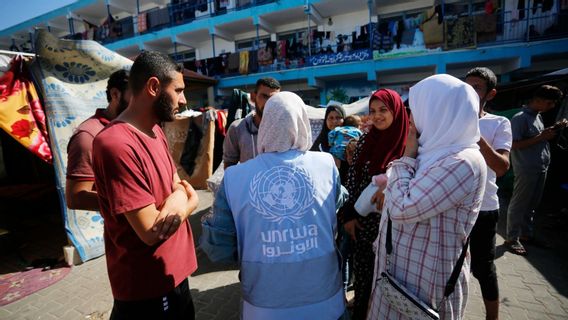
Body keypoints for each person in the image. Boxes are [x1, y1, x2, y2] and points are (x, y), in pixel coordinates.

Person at [200, 92, 348, 320]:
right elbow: (338, 207)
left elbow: (218, 249)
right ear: (302, 122)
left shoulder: (235, 177)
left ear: (265, 124)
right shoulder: (326, 164)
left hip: (264, 305)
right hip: (326, 300)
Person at [367, 74, 487, 320]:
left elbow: (401, 208)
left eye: (417, 108)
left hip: (424, 288)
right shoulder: (433, 151)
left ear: (437, 111)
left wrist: (406, 158)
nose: (411, 117)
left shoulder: (463, 162)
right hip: (397, 276)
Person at [92, 51, 200, 319]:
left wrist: (177, 198)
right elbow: (151, 231)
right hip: (146, 288)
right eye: (178, 90)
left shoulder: (155, 131)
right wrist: (190, 203)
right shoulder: (115, 144)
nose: (184, 100)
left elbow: (176, 183)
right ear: (153, 87)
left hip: (174, 275)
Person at [341, 89, 408, 320]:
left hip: (393, 231)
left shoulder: (409, 146)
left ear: (396, 111)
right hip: (362, 226)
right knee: (363, 282)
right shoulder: (363, 142)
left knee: (387, 290)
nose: (377, 116)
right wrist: (348, 216)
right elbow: (352, 180)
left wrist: (389, 187)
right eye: (372, 111)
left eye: (383, 110)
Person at [465, 67, 512, 320]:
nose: (470, 92)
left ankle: (492, 317)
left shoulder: (499, 123)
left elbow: (502, 167)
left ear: (490, 94)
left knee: (483, 268)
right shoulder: (447, 120)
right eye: (467, 86)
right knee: (450, 263)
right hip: (452, 207)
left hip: (484, 208)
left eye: (477, 87)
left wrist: (475, 133)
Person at [506, 85, 567, 255]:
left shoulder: (538, 117)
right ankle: (512, 237)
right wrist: (542, 136)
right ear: (538, 100)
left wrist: (554, 129)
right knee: (520, 203)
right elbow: (513, 145)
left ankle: (526, 234)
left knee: (532, 204)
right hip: (526, 168)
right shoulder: (520, 118)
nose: (551, 106)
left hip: (540, 165)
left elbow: (538, 138)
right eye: (549, 103)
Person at [65, 69, 130, 211]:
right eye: (136, 97)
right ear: (115, 94)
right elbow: (75, 198)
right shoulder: (88, 136)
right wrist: (133, 205)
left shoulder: (141, 126)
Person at [223, 77, 281, 169]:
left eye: (273, 98)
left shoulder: (284, 127)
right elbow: (229, 165)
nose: (268, 102)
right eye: (264, 96)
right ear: (254, 97)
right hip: (248, 183)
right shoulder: (237, 128)